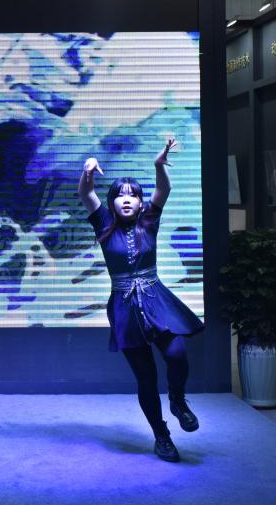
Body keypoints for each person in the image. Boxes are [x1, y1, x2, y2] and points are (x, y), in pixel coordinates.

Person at [78, 139, 204, 462]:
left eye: (132, 195)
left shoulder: (149, 221)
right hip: (124, 306)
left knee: (177, 354)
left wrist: (159, 165)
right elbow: (86, 194)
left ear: (139, 202)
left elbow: (163, 190)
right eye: (120, 195)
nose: (126, 199)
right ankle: (161, 435)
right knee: (146, 377)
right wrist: (88, 171)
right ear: (112, 202)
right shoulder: (104, 223)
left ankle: (178, 400)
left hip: (155, 298)